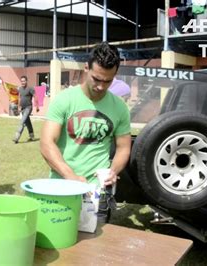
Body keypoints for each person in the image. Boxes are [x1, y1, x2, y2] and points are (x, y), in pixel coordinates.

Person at [40, 42, 131, 192]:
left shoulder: (120, 107)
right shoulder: (64, 100)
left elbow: (123, 148)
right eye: (96, 79)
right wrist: (71, 177)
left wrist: (113, 171)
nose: (101, 86)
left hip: (99, 189)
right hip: (63, 184)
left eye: (108, 81)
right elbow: (46, 143)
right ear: (86, 68)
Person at [12, 75, 39, 144]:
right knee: (27, 122)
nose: (22, 82)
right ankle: (32, 136)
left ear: (26, 81)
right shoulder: (20, 89)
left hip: (28, 107)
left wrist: (37, 106)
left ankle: (16, 137)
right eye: (21, 81)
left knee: (22, 121)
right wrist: (18, 107)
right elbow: (19, 98)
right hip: (23, 108)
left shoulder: (30, 88)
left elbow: (36, 96)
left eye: (24, 81)